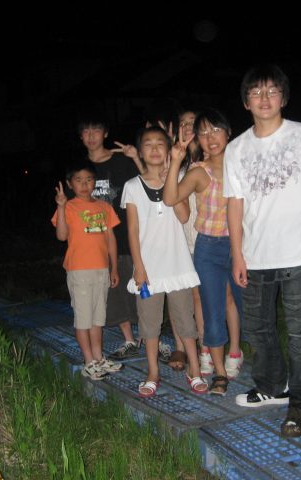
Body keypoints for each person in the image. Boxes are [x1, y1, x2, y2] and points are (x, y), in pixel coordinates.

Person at [224, 63, 301, 437]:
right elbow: (234, 204)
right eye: (256, 92)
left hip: (296, 254)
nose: (264, 98)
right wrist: (237, 253)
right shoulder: (236, 148)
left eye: (272, 90)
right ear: (246, 101)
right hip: (255, 253)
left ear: (284, 97)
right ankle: (272, 386)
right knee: (258, 329)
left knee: (300, 333)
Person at [120, 125, 206, 397]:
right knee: (149, 324)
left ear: (168, 149)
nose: (155, 148)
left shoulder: (177, 179)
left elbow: (183, 216)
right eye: (148, 144)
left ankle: (195, 369)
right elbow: (132, 230)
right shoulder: (132, 187)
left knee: (185, 321)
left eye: (160, 143)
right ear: (140, 151)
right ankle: (152, 372)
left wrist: (170, 178)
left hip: (178, 265)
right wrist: (139, 267)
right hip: (149, 268)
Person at [164, 107, 244, 395]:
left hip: (239, 245)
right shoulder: (199, 171)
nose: (211, 138)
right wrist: (175, 161)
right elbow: (171, 197)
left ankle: (236, 353)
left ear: (228, 133)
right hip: (209, 247)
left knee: (237, 303)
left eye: (216, 130)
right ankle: (220, 372)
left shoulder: (242, 166)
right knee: (211, 309)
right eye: (204, 133)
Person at [76, 114, 142, 360]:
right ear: (81, 136)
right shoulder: (81, 167)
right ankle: (129, 339)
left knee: (140, 286)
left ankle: (148, 335)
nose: (91, 136)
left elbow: (146, 182)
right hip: (97, 241)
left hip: (128, 232)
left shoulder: (122, 160)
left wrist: (136, 156)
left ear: (105, 133)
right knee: (114, 291)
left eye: (96, 130)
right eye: (86, 131)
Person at [52, 162, 124, 380]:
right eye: (79, 180)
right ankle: (88, 361)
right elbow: (61, 236)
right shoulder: (69, 207)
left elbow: (110, 238)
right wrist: (61, 207)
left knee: (97, 318)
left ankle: (98, 357)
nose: (84, 185)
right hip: (79, 270)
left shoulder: (104, 207)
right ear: (70, 184)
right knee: (83, 318)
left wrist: (114, 268)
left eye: (89, 180)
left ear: (95, 182)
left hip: (101, 269)